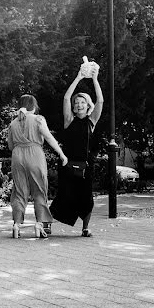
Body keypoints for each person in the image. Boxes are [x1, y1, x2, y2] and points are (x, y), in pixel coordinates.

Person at [49, 64, 104, 237]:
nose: (79, 104)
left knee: (86, 198)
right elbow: (66, 98)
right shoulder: (68, 121)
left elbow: (100, 101)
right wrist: (79, 77)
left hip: (86, 166)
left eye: (82, 102)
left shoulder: (91, 121)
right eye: (77, 102)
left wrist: (94, 79)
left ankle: (85, 228)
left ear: (88, 105)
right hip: (67, 165)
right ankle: (47, 225)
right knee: (63, 196)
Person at [7, 95, 67, 239]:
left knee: (19, 191)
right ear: (34, 107)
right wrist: (61, 153)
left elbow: (10, 146)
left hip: (17, 155)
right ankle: (39, 224)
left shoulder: (13, 123)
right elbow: (48, 137)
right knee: (39, 190)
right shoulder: (38, 119)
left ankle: (16, 224)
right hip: (35, 154)